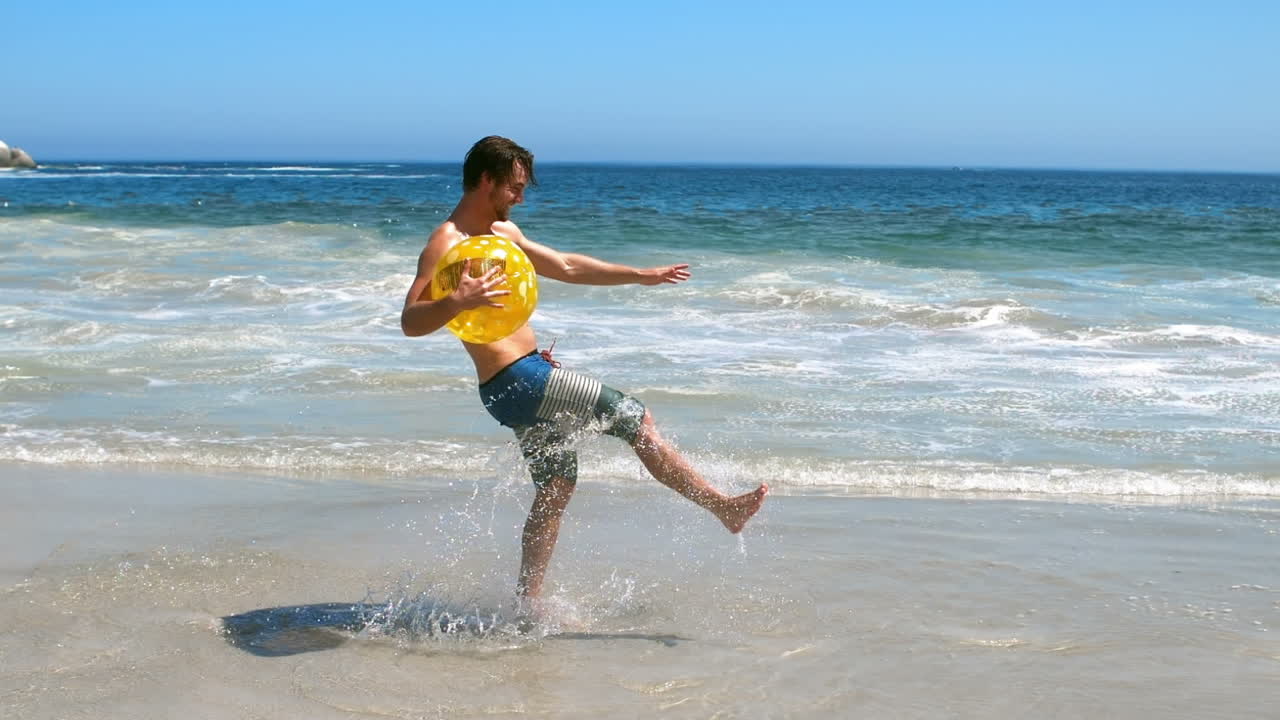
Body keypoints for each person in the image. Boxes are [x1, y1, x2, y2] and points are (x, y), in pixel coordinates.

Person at [400, 136, 768, 605]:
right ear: (487, 180)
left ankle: (527, 605)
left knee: (555, 489)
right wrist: (457, 300)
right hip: (519, 379)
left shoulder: (503, 235)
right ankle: (722, 507)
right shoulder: (446, 242)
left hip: (512, 383)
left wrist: (640, 275)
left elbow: (568, 267)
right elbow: (411, 320)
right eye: (514, 187)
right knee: (634, 416)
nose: (520, 197)